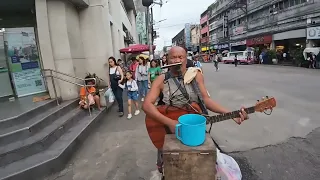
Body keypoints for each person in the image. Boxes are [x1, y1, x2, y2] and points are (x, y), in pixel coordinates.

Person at [142, 46, 249, 174]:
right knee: (172, 168)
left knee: (201, 163)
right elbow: (147, 105)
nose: (177, 59)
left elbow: (206, 100)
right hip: (168, 130)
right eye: (173, 57)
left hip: (193, 126)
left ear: (186, 60)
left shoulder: (196, 75)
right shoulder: (161, 80)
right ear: (167, 60)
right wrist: (169, 122)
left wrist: (231, 114)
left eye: (180, 57)